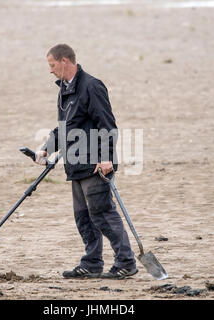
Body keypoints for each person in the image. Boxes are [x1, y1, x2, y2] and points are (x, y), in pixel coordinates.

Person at [34, 44, 137, 279]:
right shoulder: (64, 90)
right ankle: (92, 263)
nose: (49, 70)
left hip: (96, 165)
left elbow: (107, 125)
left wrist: (106, 158)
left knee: (102, 213)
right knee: (83, 217)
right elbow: (65, 128)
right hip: (76, 164)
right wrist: (45, 150)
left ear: (64, 61)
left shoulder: (92, 86)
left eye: (51, 65)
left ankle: (126, 262)